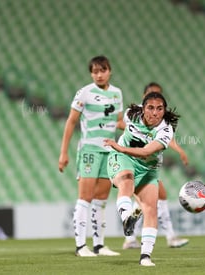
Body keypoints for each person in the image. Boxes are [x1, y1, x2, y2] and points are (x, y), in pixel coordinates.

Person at [105, 92, 180, 266]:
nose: (155, 113)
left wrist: (121, 147)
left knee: (150, 209)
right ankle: (126, 218)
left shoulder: (166, 130)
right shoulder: (131, 113)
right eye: (151, 108)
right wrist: (119, 146)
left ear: (164, 110)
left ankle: (145, 256)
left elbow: (147, 152)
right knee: (127, 181)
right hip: (123, 159)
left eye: (160, 109)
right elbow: (123, 124)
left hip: (148, 168)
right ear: (143, 108)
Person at [58, 56, 123, 257]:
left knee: (101, 199)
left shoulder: (116, 93)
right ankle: (80, 246)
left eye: (102, 70)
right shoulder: (84, 93)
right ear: (91, 73)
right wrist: (63, 152)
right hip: (89, 150)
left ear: (109, 71)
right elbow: (70, 122)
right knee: (85, 197)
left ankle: (99, 245)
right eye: (95, 71)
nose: (99, 74)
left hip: (109, 151)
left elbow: (119, 122)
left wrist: (137, 129)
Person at [122, 82, 189, 249]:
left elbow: (168, 137)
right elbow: (122, 123)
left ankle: (132, 237)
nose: (155, 100)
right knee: (155, 197)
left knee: (154, 198)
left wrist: (179, 150)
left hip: (149, 162)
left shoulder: (161, 119)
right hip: (135, 162)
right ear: (144, 98)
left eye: (159, 96)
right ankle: (168, 236)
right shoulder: (134, 113)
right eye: (151, 94)